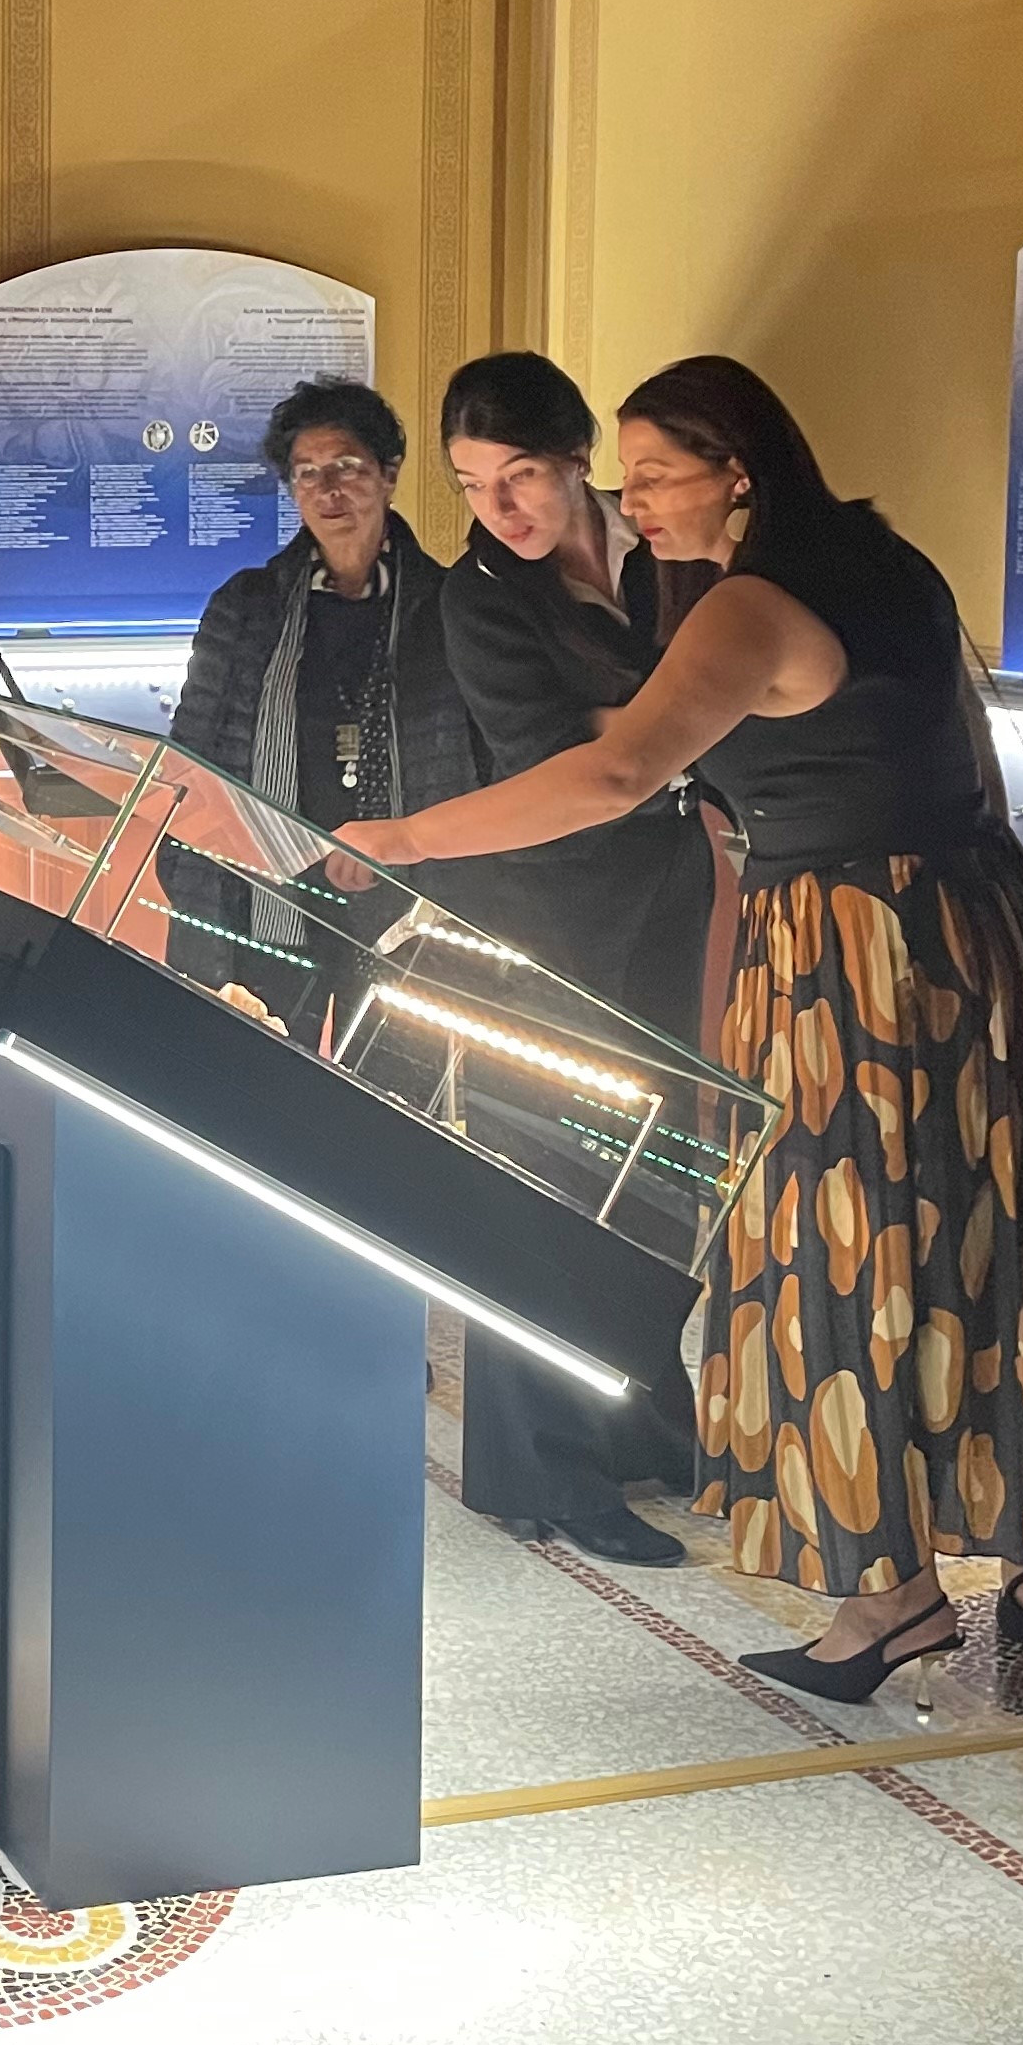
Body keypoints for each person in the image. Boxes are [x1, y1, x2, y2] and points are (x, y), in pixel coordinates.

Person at [345, 355, 1023, 1701]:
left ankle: (889, 1601)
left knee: (848, 1256)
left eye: (654, 473)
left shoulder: (749, 606)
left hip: (849, 956)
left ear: (739, 471)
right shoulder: (885, 559)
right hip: (968, 923)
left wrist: (405, 838)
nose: (629, 499)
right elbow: (966, 760)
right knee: (994, 1227)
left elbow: (615, 769)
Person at [433, 351, 725, 1567]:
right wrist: (677, 723)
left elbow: (676, 725)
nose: (500, 511)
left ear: (578, 461)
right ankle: (539, 1466)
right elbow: (563, 756)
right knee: (544, 1181)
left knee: (661, 1171)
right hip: (540, 912)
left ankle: (652, 1421)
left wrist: (655, 731)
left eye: (522, 478)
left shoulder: (662, 555)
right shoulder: (478, 596)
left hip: (667, 902)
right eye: (471, 484)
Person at [167, 375, 487, 1019]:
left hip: (410, 901)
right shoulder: (249, 605)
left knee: (398, 1100)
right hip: (264, 899)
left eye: (346, 467)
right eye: (307, 473)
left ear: (388, 473)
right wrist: (190, 882)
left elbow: (479, 764)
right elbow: (191, 757)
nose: (328, 490)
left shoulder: (450, 603)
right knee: (251, 1092)